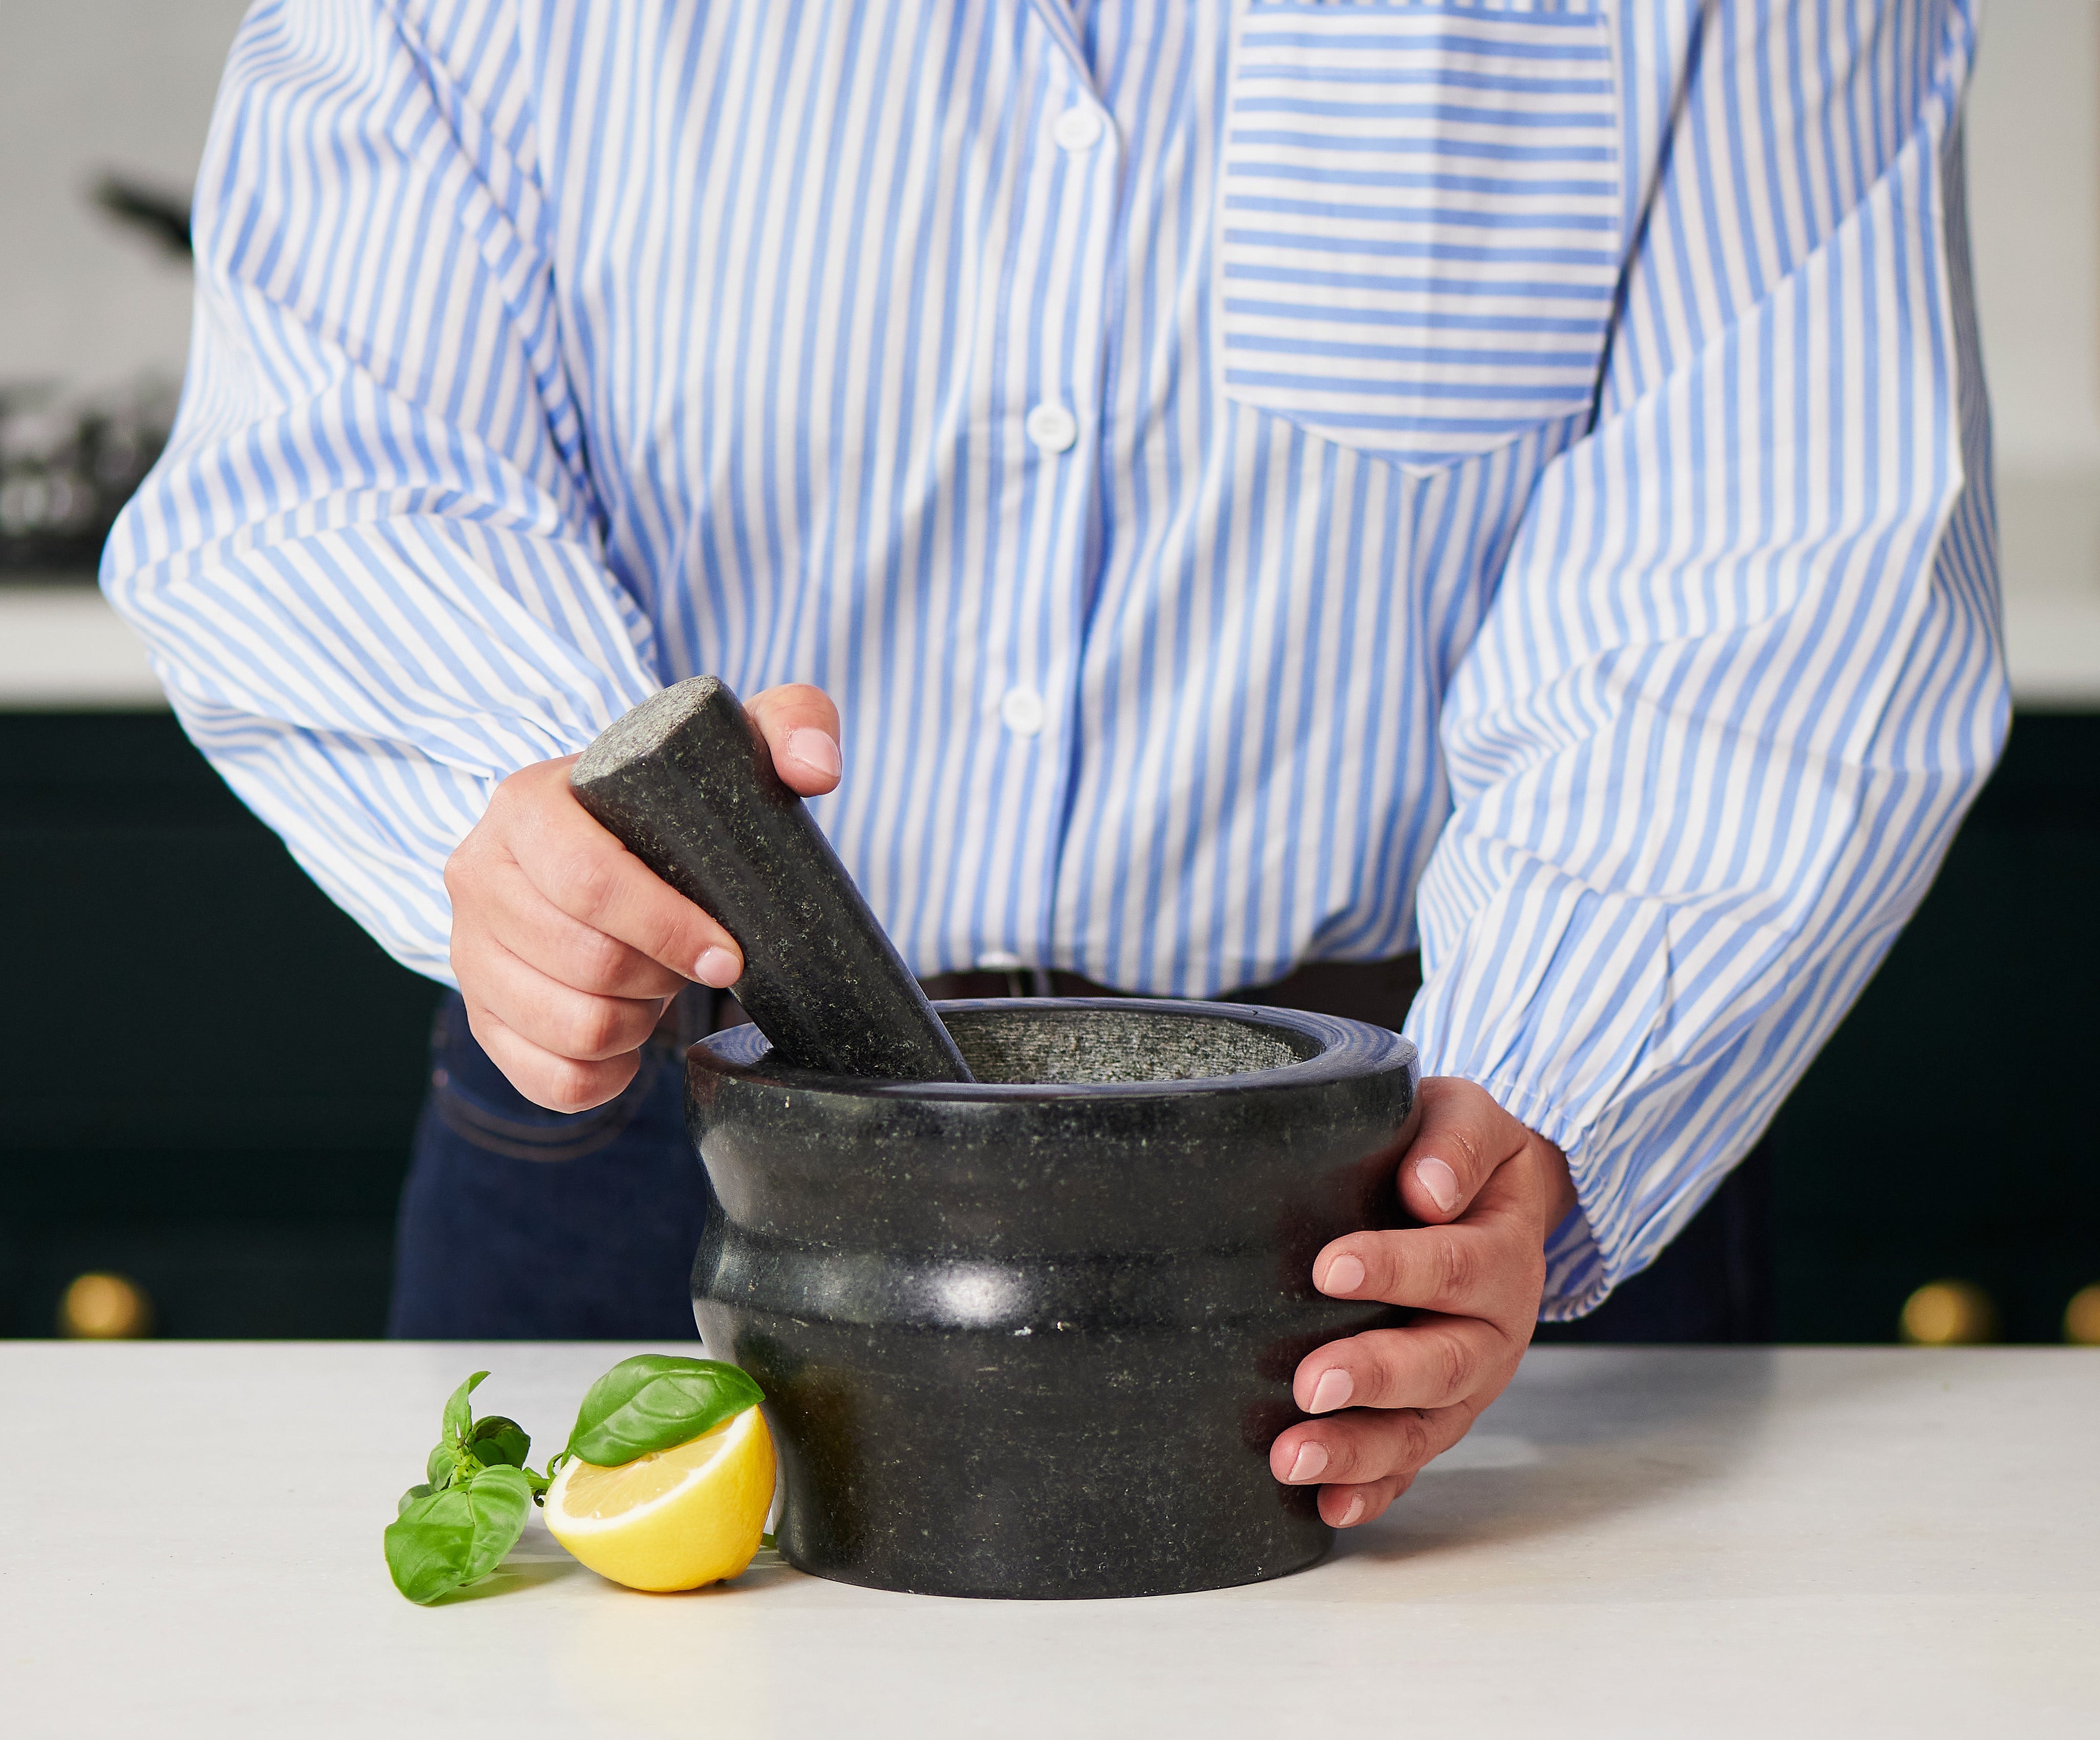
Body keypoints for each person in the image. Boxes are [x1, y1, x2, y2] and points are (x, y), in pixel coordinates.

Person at [107, 0, 2005, 1531]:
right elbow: (339, 461)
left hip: (1417, 1188)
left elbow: (1780, 548)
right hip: (670, 1147)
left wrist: (1546, 1092)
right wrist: (532, 820)